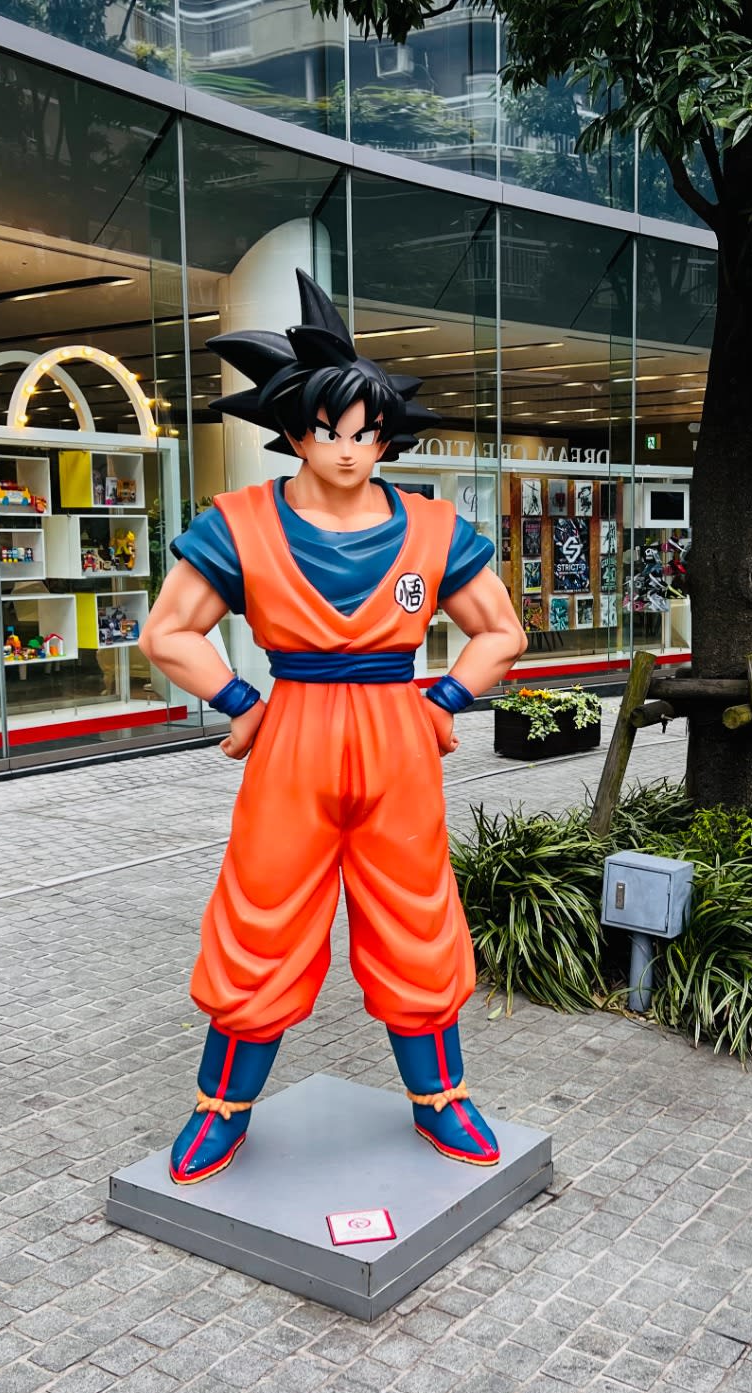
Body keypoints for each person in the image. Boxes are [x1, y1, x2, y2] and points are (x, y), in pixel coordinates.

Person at [141, 272, 527, 1185]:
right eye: (328, 432)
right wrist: (244, 703)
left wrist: (441, 702)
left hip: (396, 734)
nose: (348, 450)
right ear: (296, 431)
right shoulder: (237, 523)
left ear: (385, 434)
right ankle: (220, 1107)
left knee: (416, 913)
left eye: (364, 433)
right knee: (260, 915)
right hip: (295, 733)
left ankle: (440, 1094)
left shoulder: (435, 528)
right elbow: (169, 630)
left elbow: (500, 630)